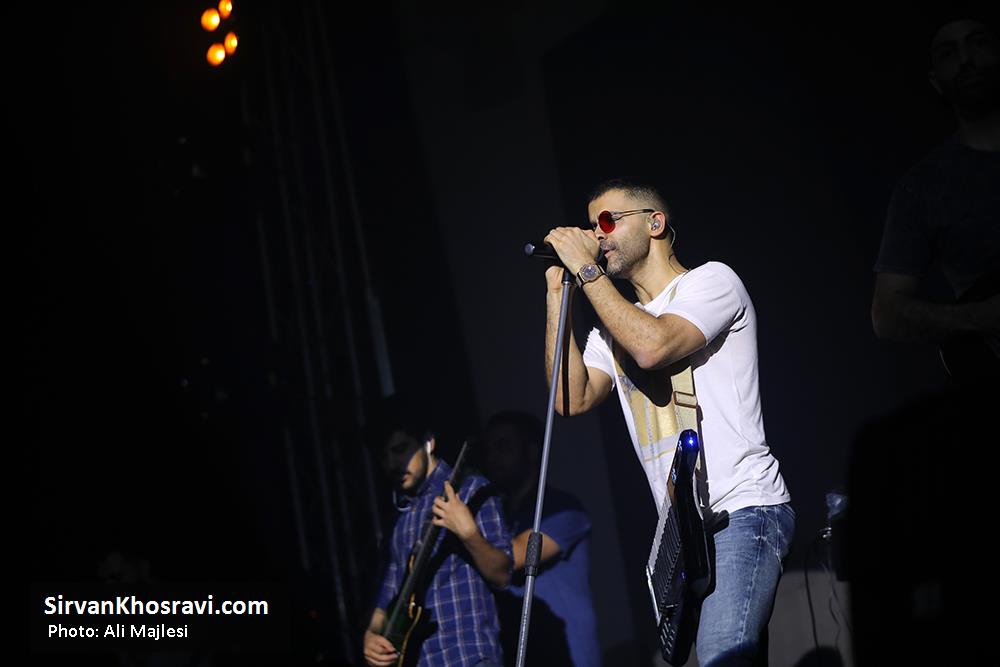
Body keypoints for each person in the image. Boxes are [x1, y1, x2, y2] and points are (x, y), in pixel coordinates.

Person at [541, 179, 793, 666]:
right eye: (591, 226)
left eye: (609, 220)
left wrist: (587, 271)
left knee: (720, 656)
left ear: (655, 223)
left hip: (741, 509)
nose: (598, 234)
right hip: (684, 535)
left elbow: (653, 347)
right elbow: (569, 400)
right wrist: (558, 291)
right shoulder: (612, 328)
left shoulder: (712, 282)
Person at [871, 17, 1000, 382]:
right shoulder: (923, 186)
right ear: (935, 80)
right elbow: (886, 313)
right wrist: (982, 316)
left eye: (977, 43)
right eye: (948, 53)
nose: (966, 60)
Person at [362, 401, 513, 667]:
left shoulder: (470, 489)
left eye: (400, 450)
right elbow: (386, 597)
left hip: (468, 657)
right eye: (384, 457)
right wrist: (371, 635)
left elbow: (502, 575)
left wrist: (470, 535)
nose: (392, 463)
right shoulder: (398, 518)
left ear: (428, 442)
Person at [479, 410, 600, 667]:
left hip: (566, 656)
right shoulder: (497, 517)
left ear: (531, 451)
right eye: (488, 450)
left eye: (503, 446)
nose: (493, 458)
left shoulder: (561, 508)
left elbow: (512, 557)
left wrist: (465, 529)